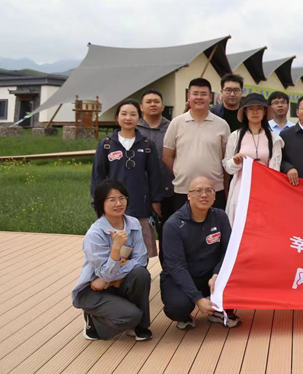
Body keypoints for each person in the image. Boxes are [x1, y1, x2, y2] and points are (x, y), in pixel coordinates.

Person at [73, 180, 152, 341]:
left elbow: (141, 259)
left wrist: (107, 279)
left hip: (111, 282)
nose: (118, 203)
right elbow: (105, 273)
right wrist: (115, 248)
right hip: (93, 289)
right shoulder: (95, 234)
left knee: (141, 274)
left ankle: (139, 327)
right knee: (131, 316)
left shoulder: (133, 223)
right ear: (101, 203)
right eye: (112, 200)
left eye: (122, 198)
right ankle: (94, 322)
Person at [160, 176, 240, 330]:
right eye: (198, 191)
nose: (204, 195)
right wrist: (197, 298)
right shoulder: (173, 225)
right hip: (182, 276)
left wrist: (217, 274)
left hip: (210, 275)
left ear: (215, 196)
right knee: (178, 306)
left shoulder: (220, 216)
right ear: (189, 195)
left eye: (209, 191)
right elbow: (176, 266)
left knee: (239, 276)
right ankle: (185, 316)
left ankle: (218, 311)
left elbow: (228, 251)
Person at [91, 99, 162, 258]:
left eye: (133, 114)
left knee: (141, 252)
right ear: (117, 117)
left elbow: (154, 175)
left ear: (139, 118)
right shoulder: (107, 144)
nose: (128, 118)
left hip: (140, 205)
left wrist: (156, 200)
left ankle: (140, 273)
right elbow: (98, 176)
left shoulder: (146, 144)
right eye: (124, 114)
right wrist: (97, 201)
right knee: (115, 251)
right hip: (113, 206)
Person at [162, 78, 231, 211]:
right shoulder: (176, 123)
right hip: (184, 189)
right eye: (195, 94)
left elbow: (225, 158)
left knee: (214, 223)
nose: (199, 97)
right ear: (188, 97)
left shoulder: (222, 125)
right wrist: (180, 171)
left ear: (210, 97)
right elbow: (167, 156)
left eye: (203, 94)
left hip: (214, 189)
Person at [223, 93, 284, 222]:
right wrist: (235, 161)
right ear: (245, 112)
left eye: (259, 108)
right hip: (241, 188)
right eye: (250, 109)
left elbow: (275, 169)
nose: (255, 112)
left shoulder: (274, 139)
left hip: (265, 189)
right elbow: (227, 166)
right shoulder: (235, 137)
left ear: (264, 112)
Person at [137, 89, 174, 260]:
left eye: (156, 101)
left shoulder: (172, 127)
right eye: (149, 101)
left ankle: (168, 270)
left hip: (168, 190)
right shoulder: (134, 129)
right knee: (139, 236)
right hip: (139, 193)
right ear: (141, 107)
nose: (153, 104)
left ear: (163, 106)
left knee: (168, 234)